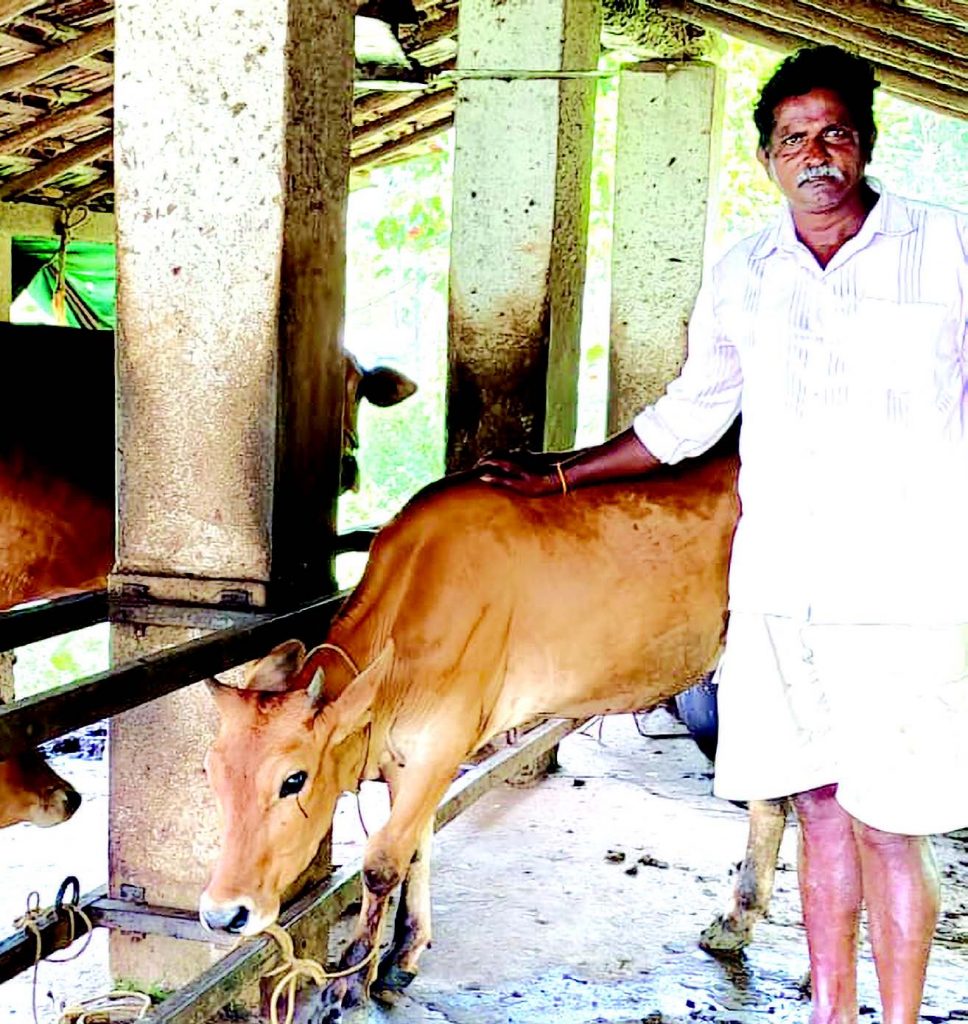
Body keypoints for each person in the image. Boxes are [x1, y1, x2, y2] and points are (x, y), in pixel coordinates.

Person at [477, 45, 968, 1024]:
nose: (815, 154)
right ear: (765, 158)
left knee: (888, 825)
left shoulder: (945, 246)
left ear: (863, 142)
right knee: (819, 813)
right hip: (780, 584)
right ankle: (833, 1012)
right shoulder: (745, 269)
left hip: (904, 590)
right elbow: (685, 417)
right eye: (792, 138)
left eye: (832, 132)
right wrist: (562, 472)